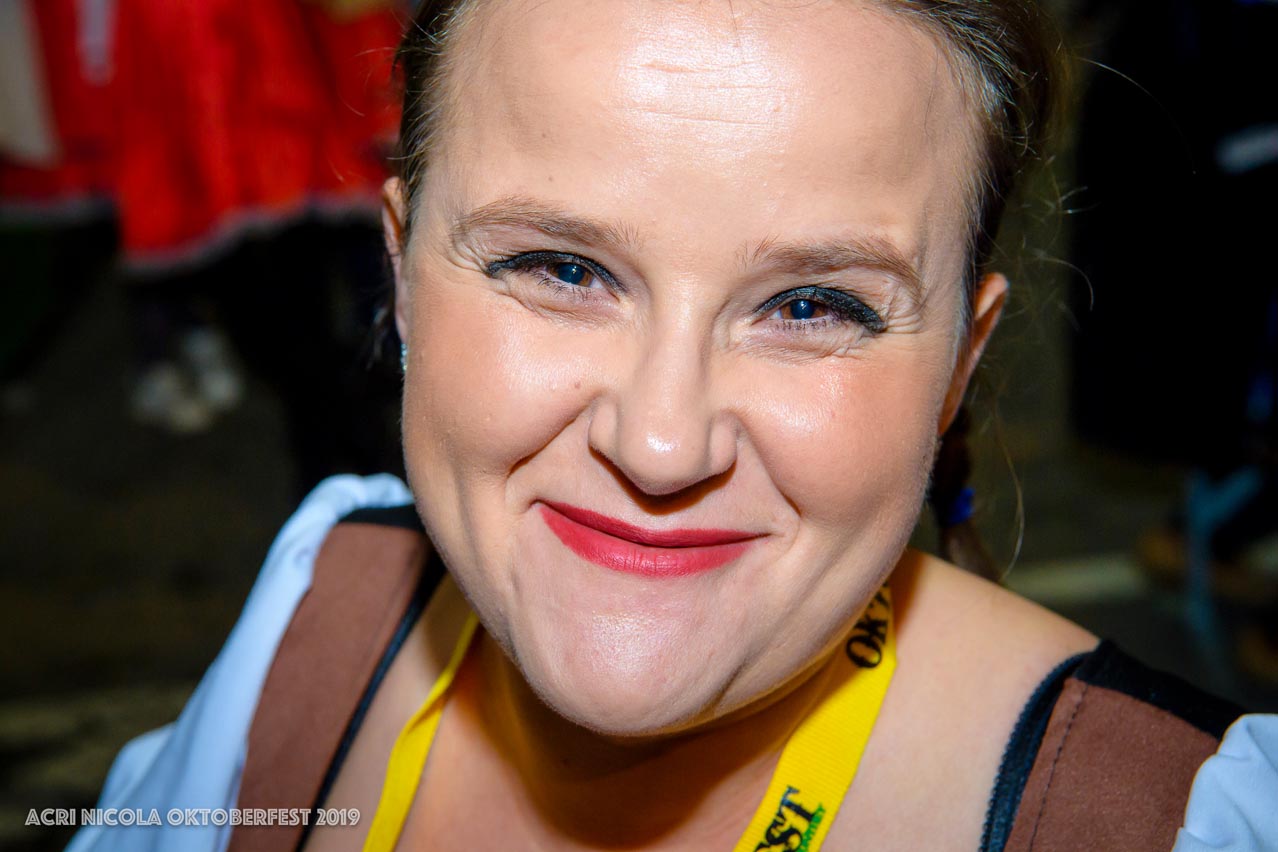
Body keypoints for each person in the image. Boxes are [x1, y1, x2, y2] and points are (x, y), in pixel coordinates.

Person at [67, 1, 1274, 851]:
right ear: (401, 277)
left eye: (812, 305)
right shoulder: (303, 629)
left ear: (961, 363)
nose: (659, 445)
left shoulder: (1174, 821)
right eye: (562, 268)